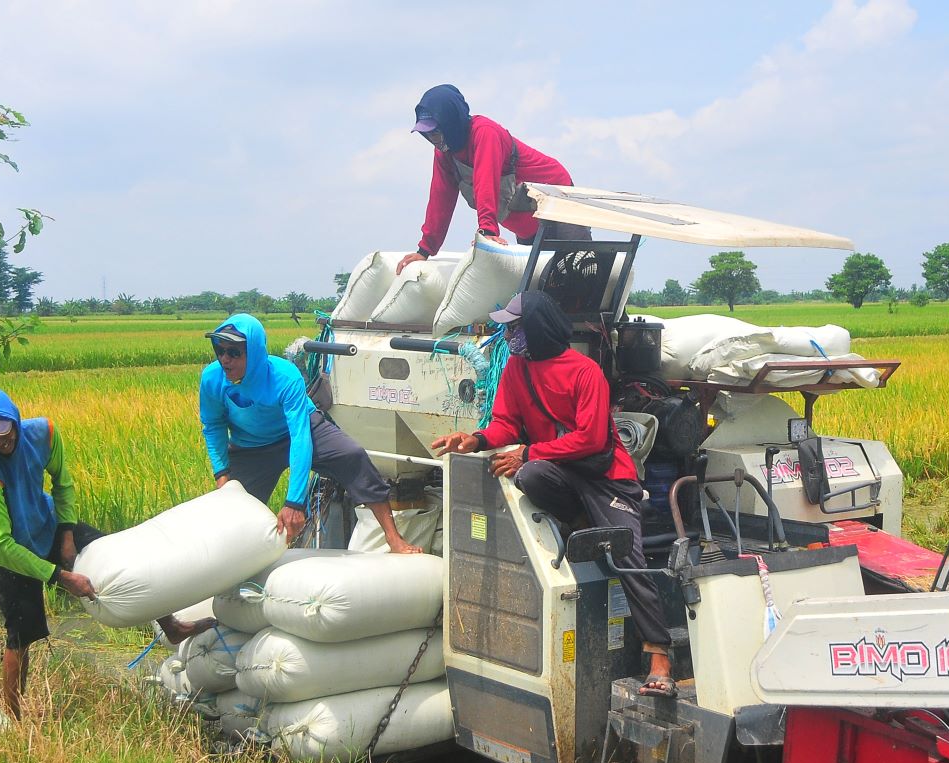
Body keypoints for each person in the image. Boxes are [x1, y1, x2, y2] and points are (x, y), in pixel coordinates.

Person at [430, 291, 674, 697]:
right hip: (560, 473)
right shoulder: (516, 372)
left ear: (537, 327)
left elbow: (592, 439)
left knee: (627, 552)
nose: (508, 334)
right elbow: (506, 424)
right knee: (531, 475)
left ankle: (659, 653)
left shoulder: (584, 372)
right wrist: (475, 438)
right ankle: (579, 520)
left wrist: (529, 450)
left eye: (515, 327)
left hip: (606, 479)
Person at [0, 380, 211, 718]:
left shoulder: (43, 433)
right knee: (20, 632)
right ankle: (11, 716)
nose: (2, 442)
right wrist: (61, 576)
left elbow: (62, 483)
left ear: (15, 419)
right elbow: (1, 544)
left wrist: (66, 533)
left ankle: (170, 624)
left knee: (119, 559)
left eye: (4, 432)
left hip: (46, 521)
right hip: (5, 551)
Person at [199, 314, 424, 555]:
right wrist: (222, 475)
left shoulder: (284, 377)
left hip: (300, 430)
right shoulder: (212, 378)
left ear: (253, 352)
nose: (225, 359)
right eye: (219, 351)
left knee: (352, 455)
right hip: (252, 445)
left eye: (234, 352)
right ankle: (231, 560)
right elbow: (213, 426)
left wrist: (294, 502)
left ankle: (393, 539)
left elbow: (299, 435)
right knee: (233, 507)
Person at [395, 84, 589, 275]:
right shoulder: (444, 155)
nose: (432, 139)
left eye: (435, 132)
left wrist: (487, 232)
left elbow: (485, 182)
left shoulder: (485, 133)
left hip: (559, 200)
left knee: (581, 268)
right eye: (427, 134)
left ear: (451, 123)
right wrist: (425, 250)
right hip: (527, 223)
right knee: (540, 281)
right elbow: (440, 199)